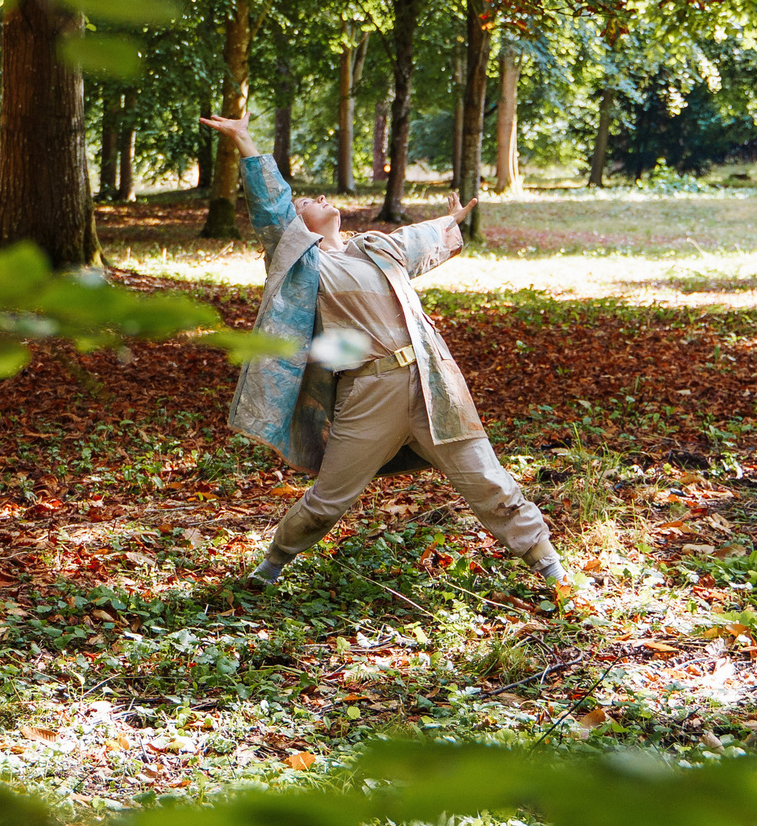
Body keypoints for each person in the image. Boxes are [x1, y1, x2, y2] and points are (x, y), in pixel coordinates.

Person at [202, 113, 567, 592]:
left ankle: (551, 567)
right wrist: (246, 141)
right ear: (298, 228)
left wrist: (449, 222)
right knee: (328, 501)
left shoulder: (374, 248)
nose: (320, 199)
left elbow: (418, 241)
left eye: (317, 197)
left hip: (435, 383)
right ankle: (270, 566)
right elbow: (272, 208)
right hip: (368, 392)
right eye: (308, 202)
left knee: (489, 481)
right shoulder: (304, 265)